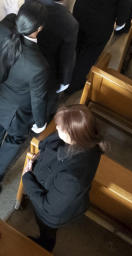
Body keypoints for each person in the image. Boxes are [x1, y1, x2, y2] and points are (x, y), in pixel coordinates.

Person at [0, 1, 51, 195]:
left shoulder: (2, 29)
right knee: (12, 142)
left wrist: (14, 13)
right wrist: (40, 122)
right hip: (15, 114)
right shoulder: (39, 66)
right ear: (39, 29)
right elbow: (38, 99)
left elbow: (10, 19)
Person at [21, 104, 105, 251]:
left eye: (60, 127)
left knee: (47, 232)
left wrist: (27, 177)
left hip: (51, 215)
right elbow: (49, 143)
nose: (56, 127)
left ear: (73, 136)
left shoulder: (72, 179)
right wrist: (41, 155)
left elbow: (49, 208)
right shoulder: (86, 140)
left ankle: (44, 246)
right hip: (51, 184)